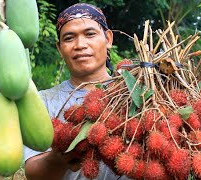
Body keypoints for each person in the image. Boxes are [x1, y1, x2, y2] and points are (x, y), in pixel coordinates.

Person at [23, 3, 130, 180]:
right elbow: (33, 173)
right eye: (69, 38)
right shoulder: (41, 102)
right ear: (59, 48)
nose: (80, 45)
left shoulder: (137, 92)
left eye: (90, 34)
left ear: (108, 39)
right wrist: (57, 159)